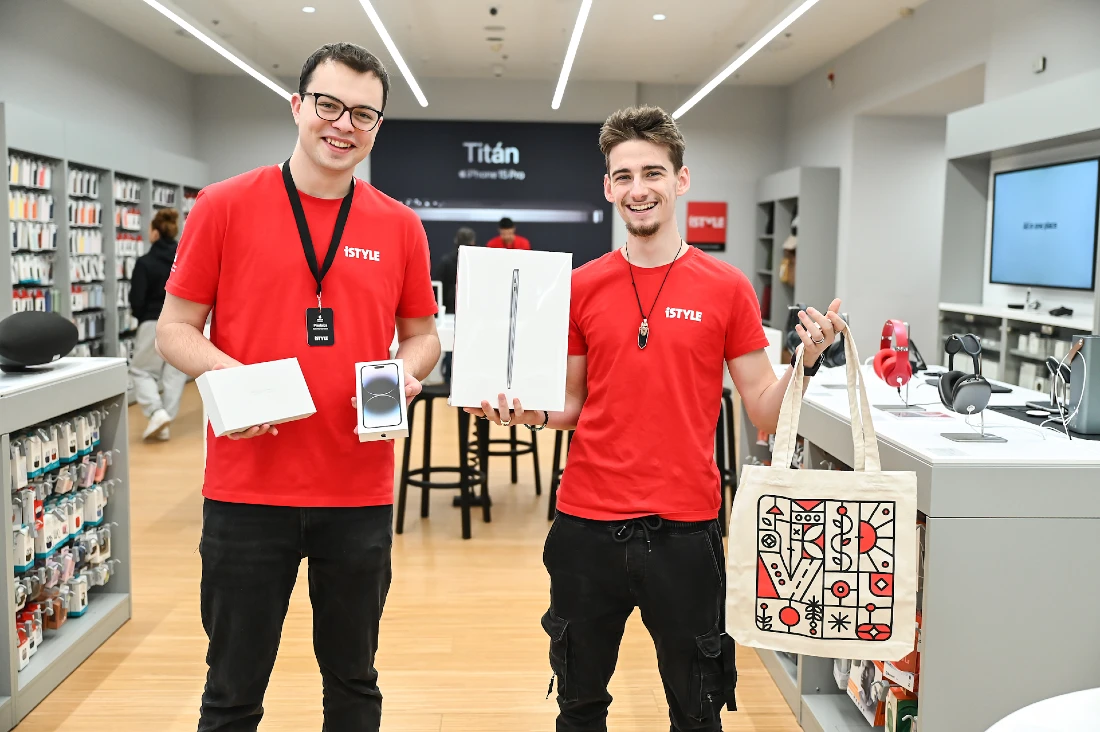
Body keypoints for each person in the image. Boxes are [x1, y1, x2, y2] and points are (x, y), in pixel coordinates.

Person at [466, 105, 845, 731]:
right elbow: (573, 405)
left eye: (652, 173)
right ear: (607, 187)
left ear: (681, 179)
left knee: (696, 714)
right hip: (586, 526)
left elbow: (762, 411)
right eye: (622, 176)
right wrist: (518, 412)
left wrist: (804, 362)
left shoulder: (727, 288)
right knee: (579, 705)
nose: (637, 189)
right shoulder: (582, 286)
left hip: (685, 533)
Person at [155, 43, 440, 732]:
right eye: (330, 104)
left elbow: (423, 334)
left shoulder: (399, 224)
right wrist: (233, 378)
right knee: (231, 691)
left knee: (353, 684)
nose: (344, 124)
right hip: (247, 491)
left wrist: (406, 372)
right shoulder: (223, 206)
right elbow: (175, 329)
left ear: (377, 127)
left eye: (364, 114)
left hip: (358, 489)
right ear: (298, 105)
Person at [128, 207, 189, 441]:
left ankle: (156, 411)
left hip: (153, 321)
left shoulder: (145, 262)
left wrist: (144, 315)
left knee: (141, 371)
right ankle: (164, 422)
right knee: (174, 374)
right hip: (184, 322)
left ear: (154, 233)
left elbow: (137, 299)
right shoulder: (183, 260)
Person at [432, 227, 474, 382]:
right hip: (470, 311)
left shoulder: (446, 260)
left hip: (450, 310)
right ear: (473, 242)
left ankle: (449, 382)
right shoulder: (475, 262)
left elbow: (437, 286)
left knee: (451, 349)